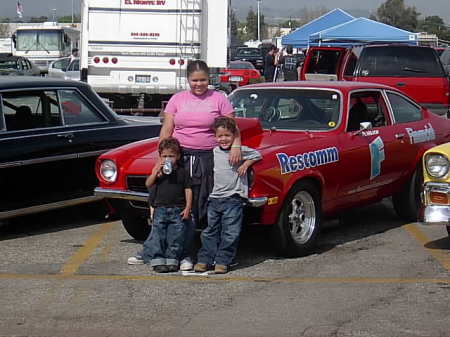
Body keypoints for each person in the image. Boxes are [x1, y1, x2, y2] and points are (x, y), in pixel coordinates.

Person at [158, 60, 241, 271]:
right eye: (194, 80)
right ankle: (181, 252)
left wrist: (236, 147)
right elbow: (167, 129)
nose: (199, 84)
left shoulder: (219, 98)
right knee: (184, 204)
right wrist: (162, 158)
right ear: (188, 80)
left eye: (203, 80)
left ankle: (213, 253)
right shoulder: (177, 99)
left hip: (210, 158)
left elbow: (233, 127)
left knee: (208, 204)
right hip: (183, 157)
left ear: (209, 79)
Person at [194, 117, 262, 274]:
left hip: (233, 199)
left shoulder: (239, 151)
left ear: (234, 136)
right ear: (215, 137)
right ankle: (205, 259)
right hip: (214, 198)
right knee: (210, 231)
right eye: (220, 136)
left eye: (227, 136)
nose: (223, 139)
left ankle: (223, 261)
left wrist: (245, 164)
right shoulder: (214, 152)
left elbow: (257, 155)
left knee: (230, 232)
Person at [136, 137, 192, 273]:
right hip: (160, 208)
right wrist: (155, 173)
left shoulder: (182, 172)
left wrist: (188, 207)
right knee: (157, 236)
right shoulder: (158, 171)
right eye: (164, 156)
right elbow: (148, 184)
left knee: (175, 236)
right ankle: (157, 260)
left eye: (171, 156)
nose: (168, 159)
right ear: (160, 157)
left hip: (177, 209)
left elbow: (188, 189)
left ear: (178, 156)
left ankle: (172, 259)